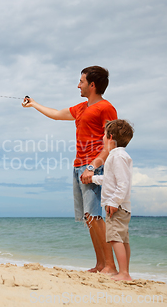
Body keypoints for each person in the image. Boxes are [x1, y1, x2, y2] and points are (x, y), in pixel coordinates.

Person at [23, 66, 117, 274]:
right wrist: (34, 104)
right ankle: (100, 264)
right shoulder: (81, 108)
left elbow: (111, 143)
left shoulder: (106, 108)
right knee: (89, 217)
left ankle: (110, 266)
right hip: (78, 166)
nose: (78, 85)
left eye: (81, 81)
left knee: (95, 216)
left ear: (92, 85)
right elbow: (56, 114)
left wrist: (93, 167)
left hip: (93, 167)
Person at [92, 119, 134, 281]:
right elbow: (111, 179)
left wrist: (114, 201)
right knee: (122, 239)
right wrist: (94, 179)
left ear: (110, 137)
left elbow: (123, 183)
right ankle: (124, 271)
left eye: (103, 135)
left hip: (116, 205)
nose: (102, 138)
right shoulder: (119, 156)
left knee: (115, 238)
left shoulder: (117, 157)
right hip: (121, 205)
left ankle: (124, 273)